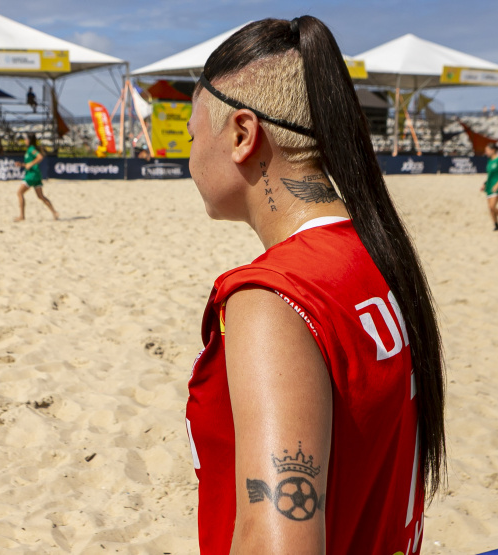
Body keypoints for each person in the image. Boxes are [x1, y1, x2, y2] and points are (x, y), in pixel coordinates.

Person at [184, 16, 445, 554]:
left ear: (242, 135)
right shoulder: (376, 255)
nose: (187, 157)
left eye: (192, 136)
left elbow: (280, 540)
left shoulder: (274, 298)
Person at [14, 133, 58, 222]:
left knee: (19, 193)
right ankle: (54, 212)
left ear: (29, 140)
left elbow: (40, 157)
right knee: (40, 196)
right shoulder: (29, 150)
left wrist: (31, 164)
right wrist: (22, 164)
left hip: (32, 175)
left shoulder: (31, 149)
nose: (25, 141)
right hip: (35, 174)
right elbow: (29, 164)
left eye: (26, 139)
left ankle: (22, 216)